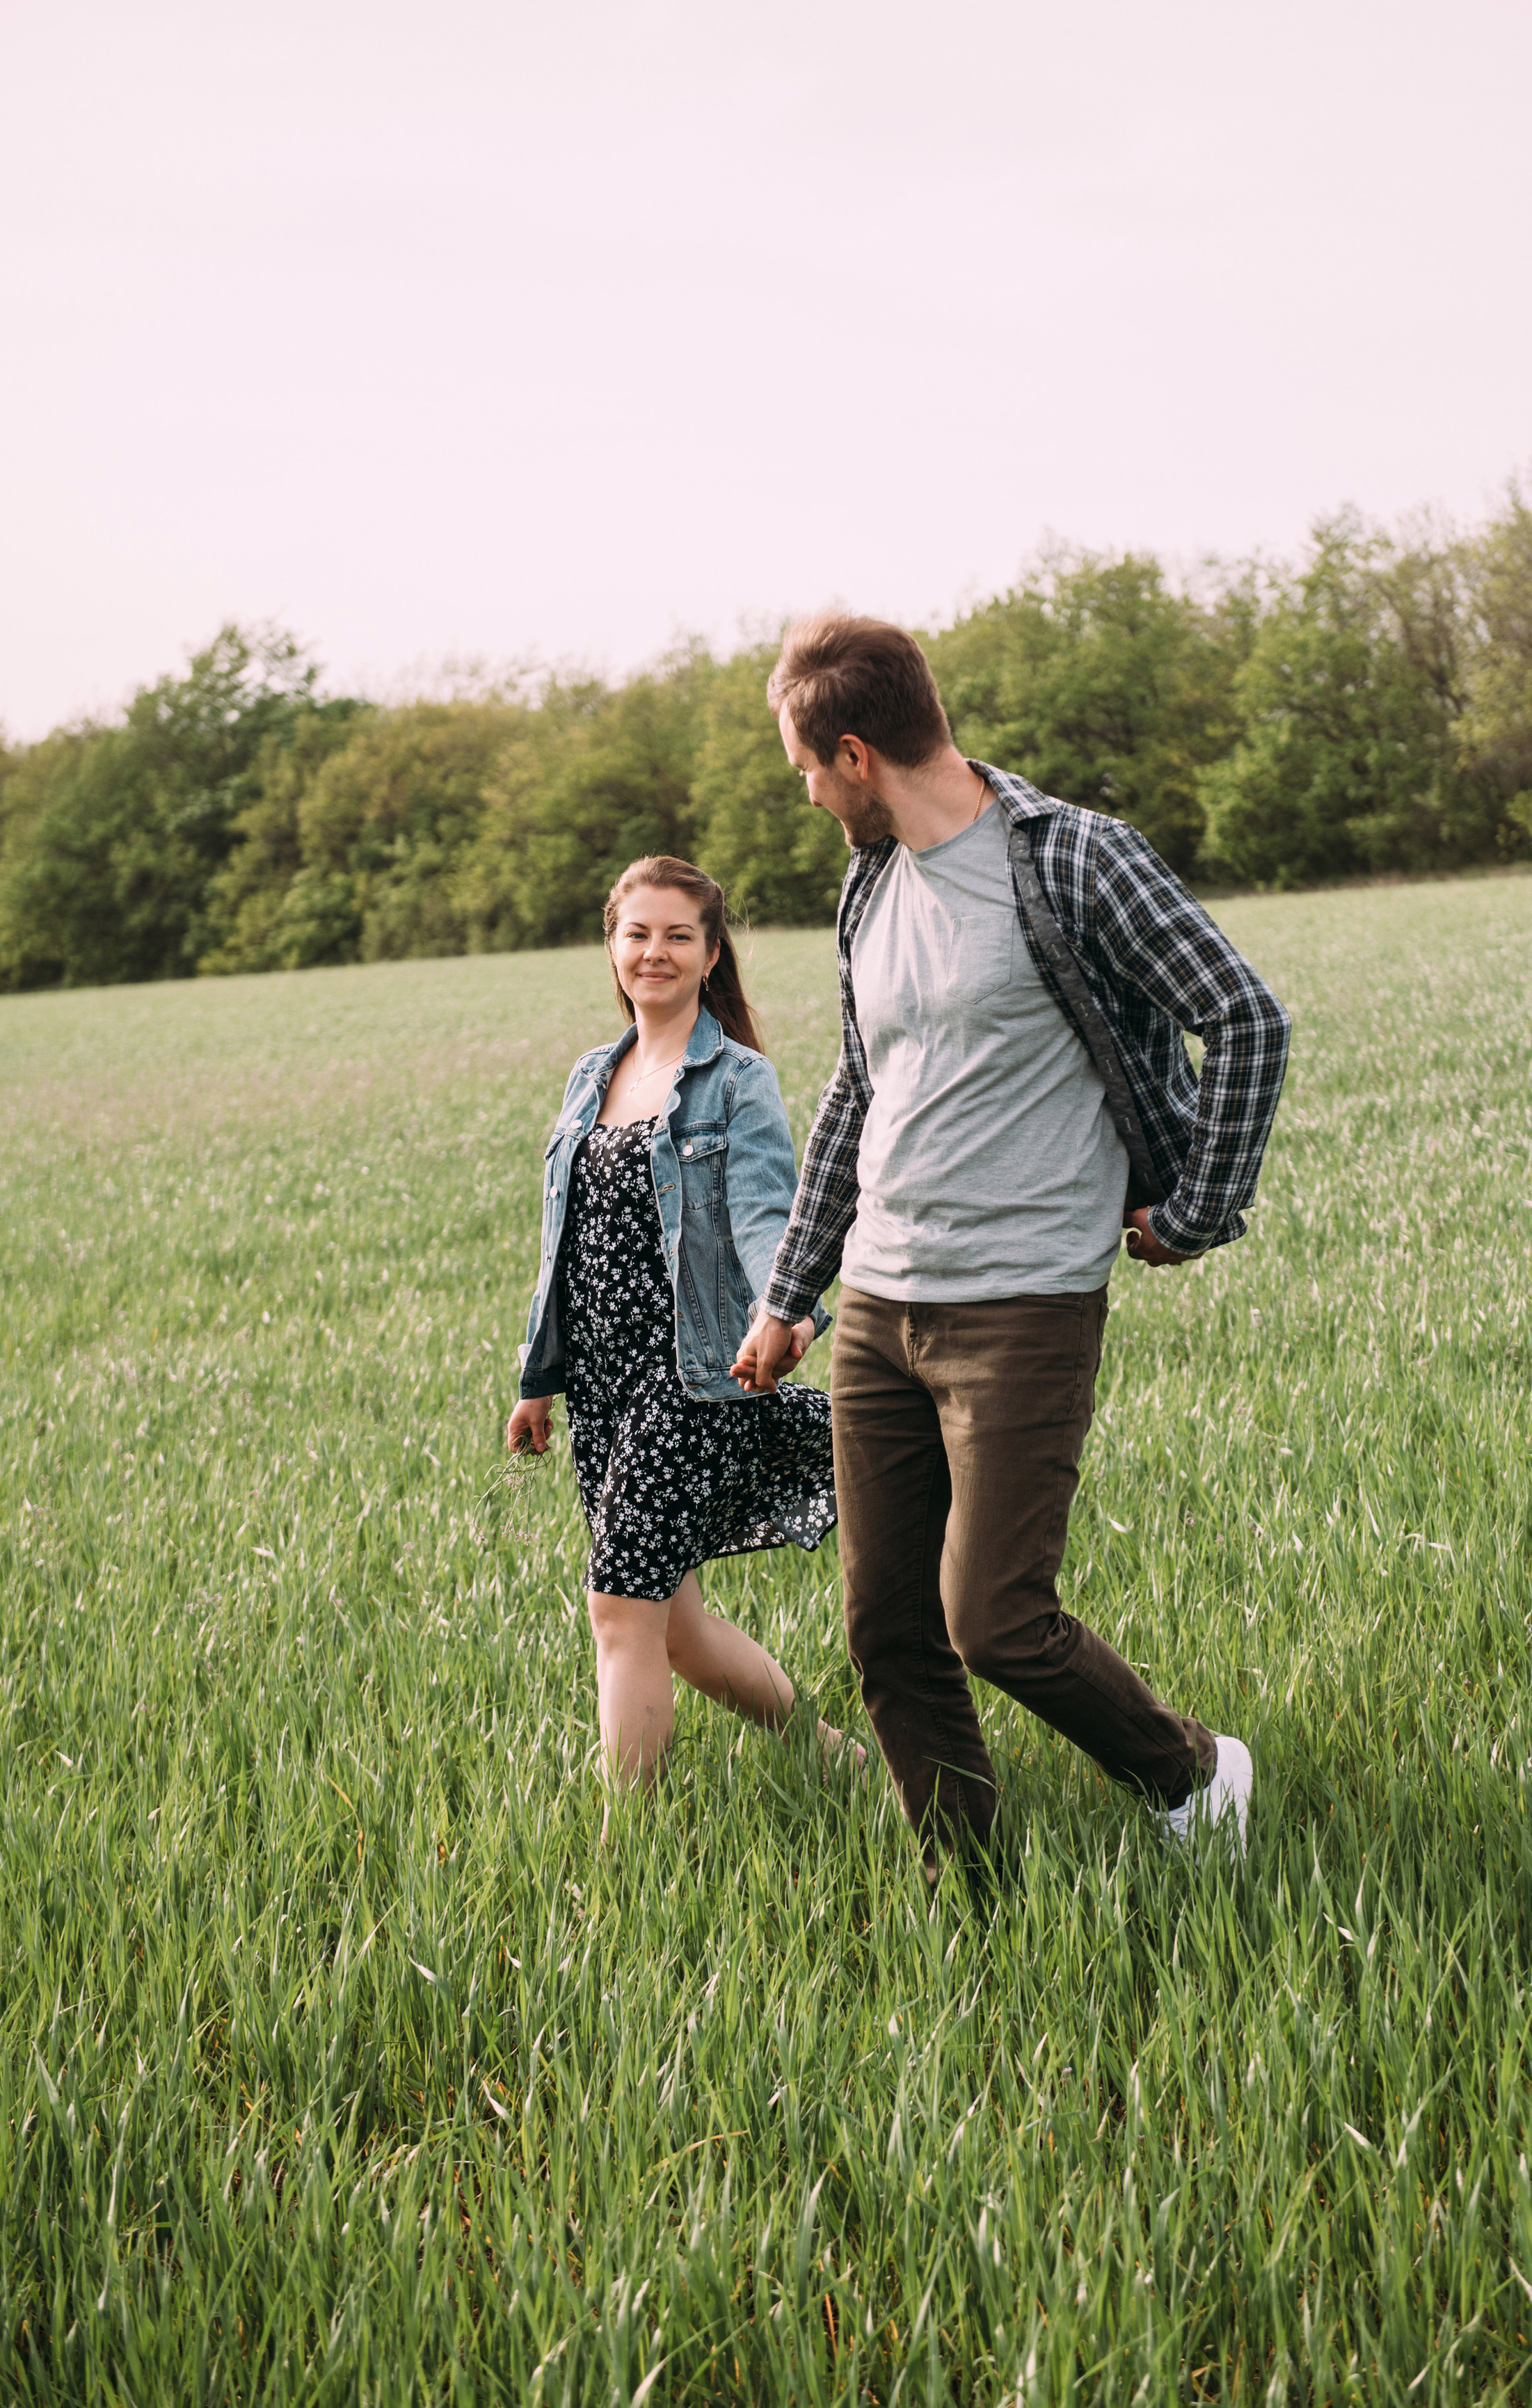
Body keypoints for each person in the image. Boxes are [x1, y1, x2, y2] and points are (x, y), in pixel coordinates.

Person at [732, 617, 1290, 1883]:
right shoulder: (869, 885)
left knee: (994, 1620)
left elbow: (1244, 1018)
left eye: (808, 770)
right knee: (886, 1628)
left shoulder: (1076, 859)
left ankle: (1195, 1775)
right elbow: (855, 1096)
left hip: (1025, 1300)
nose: (806, 793)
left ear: (858, 753)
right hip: (880, 1302)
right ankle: (966, 1882)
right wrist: (792, 1292)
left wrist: (1200, 1209)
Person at [508, 855, 859, 1798]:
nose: (654, 952)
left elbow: (766, 1218)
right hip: (603, 1382)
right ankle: (839, 1759)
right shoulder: (593, 1075)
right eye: (637, 934)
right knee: (676, 1627)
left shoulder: (736, 1079)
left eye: (677, 936)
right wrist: (539, 1377)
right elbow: (564, 1242)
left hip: (694, 1375)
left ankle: (633, 1844)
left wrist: (783, 1318)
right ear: (612, 947)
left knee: (620, 1607)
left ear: (711, 955)